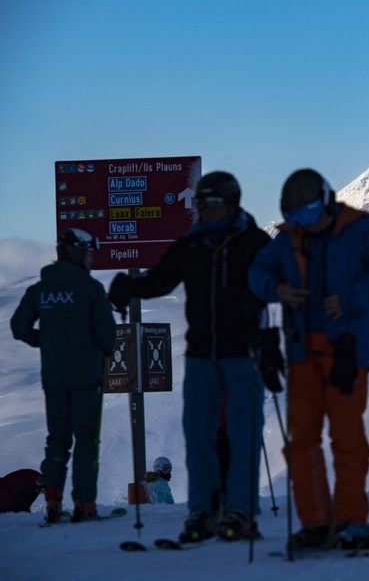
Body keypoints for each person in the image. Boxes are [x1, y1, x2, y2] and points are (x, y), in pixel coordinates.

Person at [107, 171, 270, 542]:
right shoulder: (191, 243)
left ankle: (241, 511)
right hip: (200, 355)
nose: (205, 212)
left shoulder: (254, 242)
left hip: (243, 353)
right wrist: (129, 286)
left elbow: (279, 283)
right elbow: (162, 279)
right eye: (200, 204)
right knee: (199, 436)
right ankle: (203, 512)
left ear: (231, 203)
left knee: (242, 435)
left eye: (212, 204)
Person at [248, 168, 369, 549]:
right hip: (302, 355)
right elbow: (256, 274)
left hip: (347, 354)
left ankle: (351, 521)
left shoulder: (361, 230)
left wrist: (351, 298)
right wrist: (277, 289)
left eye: (307, 211)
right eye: (295, 215)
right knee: (302, 441)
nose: (302, 221)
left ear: (325, 200)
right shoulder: (287, 240)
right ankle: (316, 524)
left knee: (346, 438)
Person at [10, 228, 116, 522]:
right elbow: (108, 335)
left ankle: (53, 499)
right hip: (86, 377)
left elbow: (19, 327)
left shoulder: (40, 289)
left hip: (54, 379)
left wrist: (44, 341)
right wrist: (100, 350)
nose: (91, 259)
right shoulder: (91, 289)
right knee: (86, 441)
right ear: (77, 253)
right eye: (89, 253)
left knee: (56, 440)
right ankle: (85, 505)